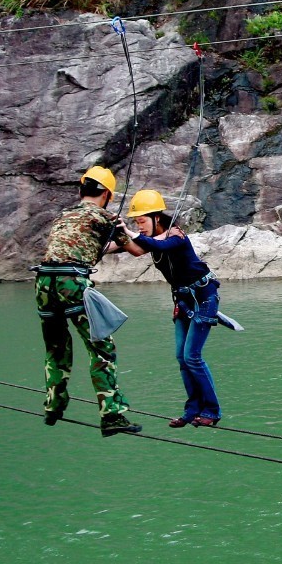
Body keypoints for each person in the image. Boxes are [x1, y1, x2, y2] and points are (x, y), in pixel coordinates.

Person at [35, 165, 146, 436]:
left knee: (56, 348)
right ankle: (112, 416)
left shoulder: (64, 215)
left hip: (43, 282)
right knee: (101, 348)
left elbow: (91, 247)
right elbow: (138, 250)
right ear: (107, 194)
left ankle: (53, 405)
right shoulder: (106, 217)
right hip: (72, 283)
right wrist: (145, 236)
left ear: (83, 189)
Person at [121, 189, 223, 428]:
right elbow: (136, 247)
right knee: (181, 357)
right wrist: (113, 238)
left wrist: (128, 232)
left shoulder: (176, 235)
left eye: (142, 220)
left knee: (192, 357)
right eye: (136, 221)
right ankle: (192, 410)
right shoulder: (152, 240)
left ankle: (212, 410)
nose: (140, 225)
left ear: (157, 217)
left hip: (204, 298)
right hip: (184, 302)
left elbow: (159, 245)